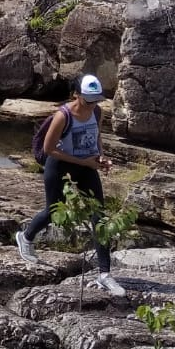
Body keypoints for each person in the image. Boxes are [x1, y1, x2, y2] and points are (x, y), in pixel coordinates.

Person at [16, 74, 124, 296]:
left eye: (96, 99)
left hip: (86, 166)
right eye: (88, 99)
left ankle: (105, 274)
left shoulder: (96, 112)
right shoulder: (63, 116)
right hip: (60, 165)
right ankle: (25, 237)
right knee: (54, 211)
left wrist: (100, 157)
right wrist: (82, 161)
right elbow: (48, 150)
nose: (93, 103)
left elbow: (96, 138)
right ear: (76, 94)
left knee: (99, 216)